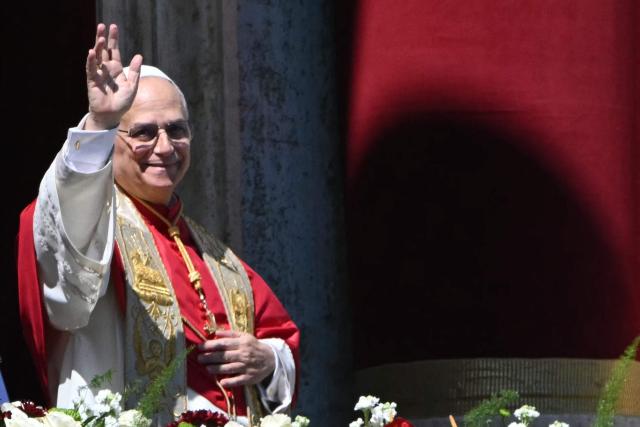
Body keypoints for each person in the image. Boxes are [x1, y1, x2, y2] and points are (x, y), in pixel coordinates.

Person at [16, 23, 299, 425]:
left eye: (177, 130)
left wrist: (267, 358)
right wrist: (99, 122)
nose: (165, 148)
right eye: (144, 133)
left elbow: (281, 335)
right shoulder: (95, 226)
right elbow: (65, 272)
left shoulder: (213, 254)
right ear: (114, 139)